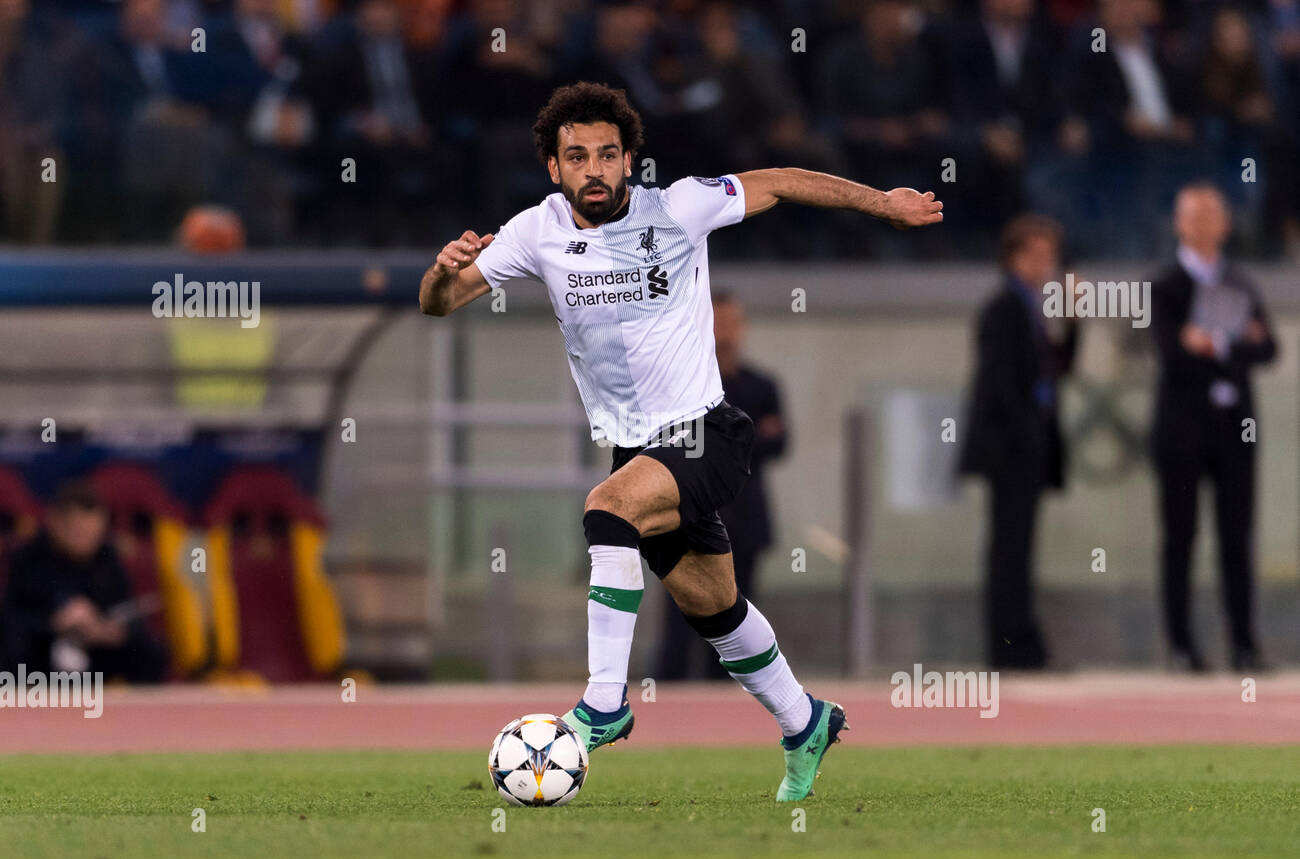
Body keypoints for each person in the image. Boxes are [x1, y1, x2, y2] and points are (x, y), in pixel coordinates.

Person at [420, 81, 942, 800]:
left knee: (607, 511)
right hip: (638, 451)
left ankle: (604, 704)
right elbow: (441, 304)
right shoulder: (535, 231)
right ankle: (806, 720)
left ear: (630, 158)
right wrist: (441, 273)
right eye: (577, 157)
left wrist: (881, 202)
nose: (594, 169)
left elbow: (782, 181)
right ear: (553, 168)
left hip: (706, 434)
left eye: (608, 153)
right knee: (716, 611)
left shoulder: (679, 205)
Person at [1149, 183, 1278, 672]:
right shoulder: (1163, 285)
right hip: (1181, 430)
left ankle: (1244, 645)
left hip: (1234, 429)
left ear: (1225, 224)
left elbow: (1268, 348)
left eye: (1212, 216)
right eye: (1193, 216)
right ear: (1180, 224)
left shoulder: (1241, 283)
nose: (1203, 225)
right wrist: (1231, 343)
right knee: (1180, 537)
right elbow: (1172, 352)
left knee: (1237, 538)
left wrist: (1215, 343)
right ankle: (1182, 646)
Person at [958, 214, 1077, 669]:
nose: (1045, 264)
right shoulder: (1003, 308)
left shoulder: (1033, 308)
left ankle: (1023, 643)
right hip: (1010, 450)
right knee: (1009, 550)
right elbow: (1000, 385)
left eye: (1050, 255)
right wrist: (1026, 433)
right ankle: (1009, 647)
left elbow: (1058, 370)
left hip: (1031, 446)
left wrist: (1072, 323)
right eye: (1036, 254)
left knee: (1020, 548)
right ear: (1012, 258)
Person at [657, 289, 788, 680]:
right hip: (689, 516)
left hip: (745, 518)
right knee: (681, 618)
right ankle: (669, 699)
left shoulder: (761, 385)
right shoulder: (682, 382)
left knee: (738, 613)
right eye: (718, 322)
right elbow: (680, 444)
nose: (725, 332)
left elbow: (778, 442)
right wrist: (742, 438)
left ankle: (734, 701)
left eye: (732, 322)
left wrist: (723, 442)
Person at [0, 480, 167, 682]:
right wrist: (54, 623)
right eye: (77, 531)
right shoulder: (29, 557)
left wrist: (105, 630)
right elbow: (12, 618)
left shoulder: (107, 557)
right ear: (55, 522)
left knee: (151, 652)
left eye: (92, 532)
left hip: (95, 648)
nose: (86, 539)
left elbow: (128, 613)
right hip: (43, 650)